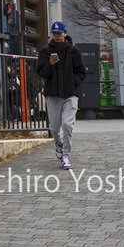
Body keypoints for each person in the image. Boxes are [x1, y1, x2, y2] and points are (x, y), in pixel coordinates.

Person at [36, 20, 85, 170]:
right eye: (55, 33)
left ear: (65, 33)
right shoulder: (45, 51)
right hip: (52, 95)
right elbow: (41, 73)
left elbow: (81, 72)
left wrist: (73, 82)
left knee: (68, 125)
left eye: (60, 33)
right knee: (54, 128)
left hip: (70, 94)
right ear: (52, 34)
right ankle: (58, 143)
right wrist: (50, 64)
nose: (57, 36)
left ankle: (66, 155)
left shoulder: (73, 51)